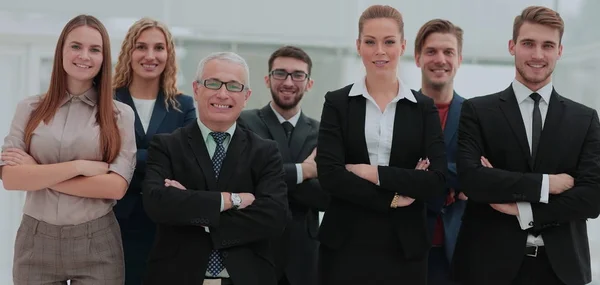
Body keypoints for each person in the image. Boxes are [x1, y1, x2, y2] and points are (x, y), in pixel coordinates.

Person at [452, 6, 600, 285]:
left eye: (548, 45)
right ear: (512, 46)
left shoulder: (585, 119)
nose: (537, 55)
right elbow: (472, 181)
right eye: (528, 44)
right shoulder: (478, 111)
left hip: (561, 272)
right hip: (487, 269)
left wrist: (523, 210)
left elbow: (591, 198)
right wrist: (547, 185)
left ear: (560, 51)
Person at [316, 5, 447, 285]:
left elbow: (436, 181)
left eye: (388, 42)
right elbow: (330, 175)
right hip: (344, 243)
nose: (380, 51)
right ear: (358, 46)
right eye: (370, 42)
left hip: (405, 248)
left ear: (402, 46)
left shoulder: (423, 108)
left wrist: (371, 173)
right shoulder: (337, 103)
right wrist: (395, 196)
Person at [0, 14, 136, 284]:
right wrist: (79, 168)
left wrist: (37, 173)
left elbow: (115, 187)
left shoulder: (120, 115)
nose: (84, 56)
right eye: (76, 46)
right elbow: (11, 178)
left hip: (97, 241)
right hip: (35, 241)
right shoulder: (29, 109)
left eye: (94, 49)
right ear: (61, 50)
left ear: (103, 57)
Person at [141, 51, 289, 285]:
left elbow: (274, 217)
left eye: (233, 86)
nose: (222, 93)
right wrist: (232, 201)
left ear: (246, 96)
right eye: (213, 83)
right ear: (197, 89)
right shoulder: (167, 145)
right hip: (177, 277)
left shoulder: (265, 151)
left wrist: (193, 209)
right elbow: (157, 203)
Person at [112, 17, 196, 285]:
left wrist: (125, 157)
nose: (150, 55)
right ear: (129, 52)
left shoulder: (183, 105)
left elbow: (187, 159)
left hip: (165, 224)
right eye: (141, 47)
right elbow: (98, 153)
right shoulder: (106, 100)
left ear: (168, 55)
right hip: (113, 221)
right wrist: (161, 160)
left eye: (159, 48)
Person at [239, 45, 329, 285]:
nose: (289, 81)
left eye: (298, 75)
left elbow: (327, 196)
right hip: (256, 250)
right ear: (268, 79)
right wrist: (306, 171)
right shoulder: (244, 122)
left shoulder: (324, 133)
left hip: (304, 256)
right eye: (281, 73)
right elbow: (244, 179)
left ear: (309, 83)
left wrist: (270, 180)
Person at [414, 19, 466, 285]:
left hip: (457, 251)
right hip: (404, 248)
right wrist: (454, 182)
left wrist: (421, 177)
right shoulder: (399, 111)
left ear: (459, 59)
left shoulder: (476, 116)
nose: (440, 59)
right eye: (431, 51)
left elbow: (480, 173)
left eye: (448, 52)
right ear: (417, 57)